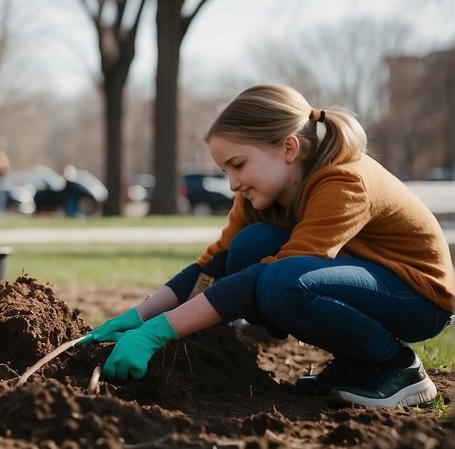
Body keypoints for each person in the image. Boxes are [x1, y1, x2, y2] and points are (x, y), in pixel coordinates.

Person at [81, 83, 454, 408]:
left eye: (238, 165)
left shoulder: (343, 182)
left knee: (281, 283)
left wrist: (159, 332)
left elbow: (274, 275)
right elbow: (213, 267)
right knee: (247, 248)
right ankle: (355, 362)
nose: (232, 183)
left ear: (289, 148)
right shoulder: (257, 196)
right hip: (360, 282)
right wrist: (137, 317)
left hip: (418, 299)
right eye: (225, 171)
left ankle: (395, 367)